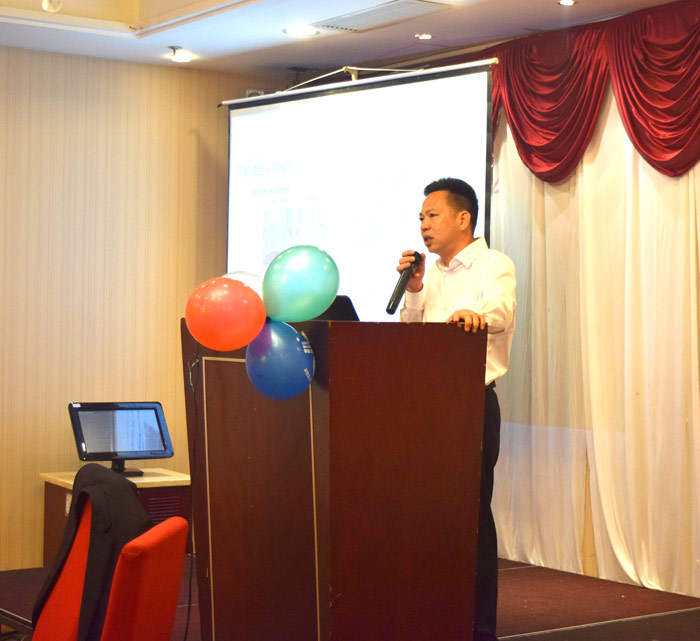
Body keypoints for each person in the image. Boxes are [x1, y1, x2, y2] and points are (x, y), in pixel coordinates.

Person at [397, 177, 516, 641]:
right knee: (430, 515)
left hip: (471, 405)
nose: (423, 226)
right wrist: (414, 289)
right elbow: (410, 331)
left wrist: (476, 317)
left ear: (463, 218)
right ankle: (434, 616)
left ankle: (479, 627)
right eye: (420, 218)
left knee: (471, 516)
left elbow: (500, 312)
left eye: (432, 216)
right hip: (427, 407)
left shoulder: (493, 265)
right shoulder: (429, 274)